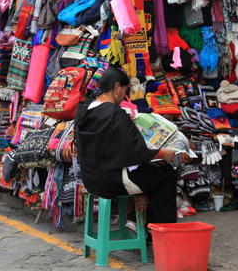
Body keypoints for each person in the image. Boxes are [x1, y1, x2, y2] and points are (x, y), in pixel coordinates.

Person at [75, 67, 187, 226]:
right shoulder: (115, 113)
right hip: (113, 180)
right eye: (124, 90)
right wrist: (162, 153)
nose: (124, 96)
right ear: (116, 87)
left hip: (91, 178)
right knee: (166, 174)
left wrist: (126, 123)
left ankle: (139, 222)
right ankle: (159, 229)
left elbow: (106, 141)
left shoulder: (85, 109)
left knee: (153, 175)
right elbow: (137, 152)